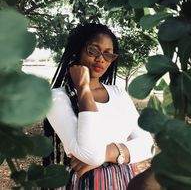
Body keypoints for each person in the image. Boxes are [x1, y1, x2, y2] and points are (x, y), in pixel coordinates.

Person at [45, 23, 154, 190]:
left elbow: (148, 145)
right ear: (78, 50)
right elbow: (91, 153)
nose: (101, 59)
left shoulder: (118, 93)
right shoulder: (56, 98)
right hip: (86, 182)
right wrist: (83, 88)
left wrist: (110, 153)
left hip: (124, 179)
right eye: (93, 51)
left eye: (108, 55)